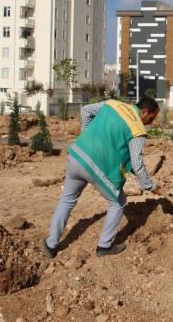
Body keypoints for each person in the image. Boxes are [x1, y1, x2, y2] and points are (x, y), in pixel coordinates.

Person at [43, 97, 161, 259]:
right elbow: (136, 162)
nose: (151, 123)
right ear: (144, 111)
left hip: (77, 157)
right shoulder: (138, 130)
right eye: (151, 118)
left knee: (66, 200)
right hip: (99, 169)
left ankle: (51, 244)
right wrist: (150, 185)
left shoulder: (113, 104)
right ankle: (104, 245)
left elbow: (85, 111)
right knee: (118, 203)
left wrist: (86, 134)